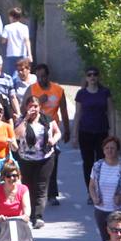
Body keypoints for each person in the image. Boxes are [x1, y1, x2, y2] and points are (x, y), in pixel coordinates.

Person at [14, 96, 59, 228]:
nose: (33, 109)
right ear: (26, 107)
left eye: (36, 106)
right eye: (30, 106)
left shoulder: (47, 120)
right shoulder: (21, 121)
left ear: (40, 107)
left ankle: (38, 216)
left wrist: (53, 140)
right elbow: (17, 135)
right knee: (28, 187)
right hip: (26, 160)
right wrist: (26, 119)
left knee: (41, 187)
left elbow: (57, 132)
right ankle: (30, 213)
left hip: (45, 158)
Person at [29, 63, 70, 204]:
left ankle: (52, 194)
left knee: (52, 162)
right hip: (34, 131)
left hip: (52, 131)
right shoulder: (32, 89)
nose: (41, 79)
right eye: (38, 77)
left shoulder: (58, 90)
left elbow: (64, 111)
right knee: (35, 162)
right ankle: (35, 194)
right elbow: (24, 109)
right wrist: (38, 103)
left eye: (43, 76)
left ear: (48, 76)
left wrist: (67, 130)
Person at [90, 136, 121, 241]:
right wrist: (94, 198)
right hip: (102, 210)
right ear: (103, 150)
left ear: (117, 150)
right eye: (106, 148)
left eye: (112, 148)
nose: (109, 150)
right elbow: (92, 186)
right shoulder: (97, 166)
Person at [73, 66, 112, 199]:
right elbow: (77, 114)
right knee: (88, 163)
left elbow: (111, 112)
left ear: (98, 77)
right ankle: (91, 192)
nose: (92, 77)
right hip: (85, 132)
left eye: (95, 74)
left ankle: (101, 190)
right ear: (86, 78)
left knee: (102, 162)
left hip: (102, 131)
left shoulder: (105, 92)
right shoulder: (81, 94)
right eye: (89, 75)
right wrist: (74, 135)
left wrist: (113, 133)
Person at [1, 7, 32, 77]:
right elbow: (27, 40)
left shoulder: (7, 27)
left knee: (11, 75)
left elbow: (3, 41)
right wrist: (29, 54)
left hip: (11, 53)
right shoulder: (24, 27)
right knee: (22, 73)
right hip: (22, 54)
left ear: (11, 16)